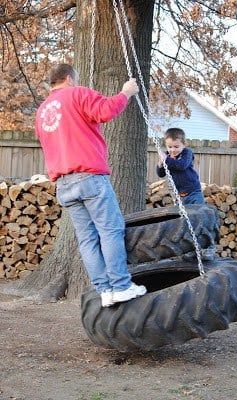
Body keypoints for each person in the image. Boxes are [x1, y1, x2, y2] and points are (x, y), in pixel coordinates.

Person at [35, 63, 146, 307]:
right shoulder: (78, 93)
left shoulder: (42, 111)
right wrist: (126, 91)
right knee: (111, 230)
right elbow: (106, 111)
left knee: (87, 240)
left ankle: (104, 291)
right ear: (68, 78)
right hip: (89, 177)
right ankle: (121, 286)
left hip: (63, 184)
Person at [156, 127, 216, 261]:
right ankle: (191, 250)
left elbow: (181, 165)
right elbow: (160, 174)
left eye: (176, 146)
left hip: (194, 193)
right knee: (186, 224)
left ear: (184, 144)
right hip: (180, 197)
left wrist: (166, 159)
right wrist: (160, 164)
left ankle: (209, 249)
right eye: (170, 147)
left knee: (201, 219)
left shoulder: (187, 154)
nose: (173, 150)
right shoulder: (168, 157)